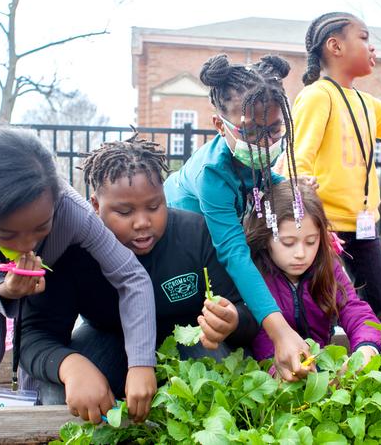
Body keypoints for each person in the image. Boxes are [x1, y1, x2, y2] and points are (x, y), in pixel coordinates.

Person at [20, 136, 258, 420]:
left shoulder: (197, 234)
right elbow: (34, 334)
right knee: (58, 390)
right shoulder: (73, 250)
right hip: (109, 341)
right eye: (124, 211)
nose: (142, 222)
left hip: (192, 344)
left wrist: (233, 321)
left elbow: (248, 312)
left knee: (221, 376)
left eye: (154, 206)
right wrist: (69, 366)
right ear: (95, 205)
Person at [0, 129, 156, 421]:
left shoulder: (72, 211)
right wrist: (5, 289)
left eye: (41, 228)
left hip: (46, 284)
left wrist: (141, 363)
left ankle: (31, 427)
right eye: (6, 234)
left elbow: (131, 277)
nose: (27, 245)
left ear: (55, 202)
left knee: (36, 358)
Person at [164, 54, 311, 381]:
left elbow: (264, 179)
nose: (266, 144)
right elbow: (233, 253)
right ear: (220, 125)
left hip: (210, 260)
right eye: (253, 132)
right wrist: (281, 333)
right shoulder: (212, 174)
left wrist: (294, 193)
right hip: (179, 261)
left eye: (274, 130)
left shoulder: (254, 156)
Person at [292, 12, 381, 327]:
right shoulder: (316, 96)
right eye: (364, 38)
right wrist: (302, 184)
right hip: (326, 230)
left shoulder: (366, 103)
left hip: (365, 227)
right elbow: (296, 158)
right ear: (335, 46)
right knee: (330, 312)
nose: (371, 48)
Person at [247, 182, 381, 366]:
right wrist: (279, 369)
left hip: (319, 369)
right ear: (265, 239)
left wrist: (366, 349)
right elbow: (262, 341)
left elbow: (355, 311)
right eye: (288, 242)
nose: (300, 253)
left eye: (311, 241)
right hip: (270, 376)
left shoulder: (328, 268)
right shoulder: (254, 276)